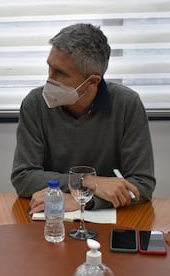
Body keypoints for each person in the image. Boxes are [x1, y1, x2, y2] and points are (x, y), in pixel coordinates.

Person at [11, 23, 155, 215]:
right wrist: (87, 182)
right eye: (50, 68)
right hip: (49, 219)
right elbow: (23, 177)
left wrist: (83, 202)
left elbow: (142, 185)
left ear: (92, 82)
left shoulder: (127, 104)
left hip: (112, 223)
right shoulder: (35, 103)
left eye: (60, 73)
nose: (49, 79)